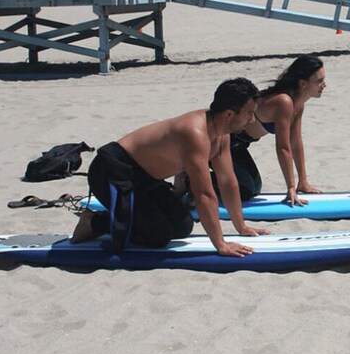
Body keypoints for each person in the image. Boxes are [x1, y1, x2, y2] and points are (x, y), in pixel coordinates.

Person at [72, 78, 266, 257]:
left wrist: (241, 226)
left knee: (182, 226)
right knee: (158, 236)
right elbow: (204, 194)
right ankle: (94, 222)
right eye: (249, 114)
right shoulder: (195, 133)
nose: (252, 120)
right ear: (230, 114)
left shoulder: (222, 133)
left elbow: (227, 180)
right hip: (113, 171)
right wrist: (220, 245)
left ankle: (121, 218)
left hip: (146, 178)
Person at [228, 55, 327, 207]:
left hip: (238, 147)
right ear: (303, 84)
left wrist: (303, 181)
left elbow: (296, 143)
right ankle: (193, 182)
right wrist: (291, 188)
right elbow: (283, 147)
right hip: (223, 142)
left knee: (254, 188)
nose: (324, 85)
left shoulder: (298, 105)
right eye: (319, 81)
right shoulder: (284, 102)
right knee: (246, 191)